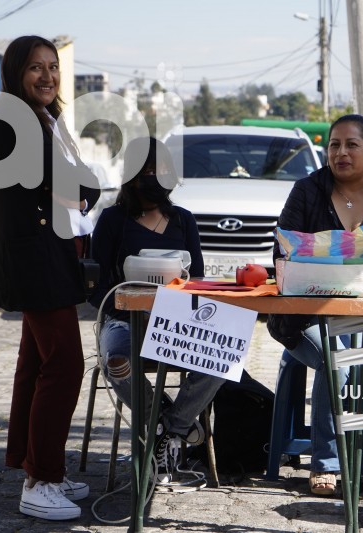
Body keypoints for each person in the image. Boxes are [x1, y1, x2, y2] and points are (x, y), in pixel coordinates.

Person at [0, 36, 101, 520]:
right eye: (35, 68)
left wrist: (75, 185)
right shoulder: (11, 123)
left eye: (53, 67)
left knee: (35, 365)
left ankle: (34, 465)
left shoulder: (45, 120)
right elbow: (81, 183)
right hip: (34, 262)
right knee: (65, 367)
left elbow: (79, 182)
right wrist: (77, 185)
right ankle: (40, 480)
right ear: (14, 73)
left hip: (49, 255)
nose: (47, 76)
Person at [267, 114, 363, 496]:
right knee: (338, 363)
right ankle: (327, 464)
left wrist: (355, 270)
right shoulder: (306, 191)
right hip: (307, 317)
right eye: (335, 144)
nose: (341, 152)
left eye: (351, 145)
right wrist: (336, 263)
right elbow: (280, 253)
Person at [88, 135, 225, 483]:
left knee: (222, 355)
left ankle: (169, 432)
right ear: (131, 175)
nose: (154, 177)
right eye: (146, 170)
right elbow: (96, 288)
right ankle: (166, 419)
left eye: (161, 169)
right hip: (122, 320)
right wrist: (130, 300)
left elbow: (197, 279)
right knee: (117, 363)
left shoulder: (183, 221)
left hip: (178, 321)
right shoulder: (112, 221)